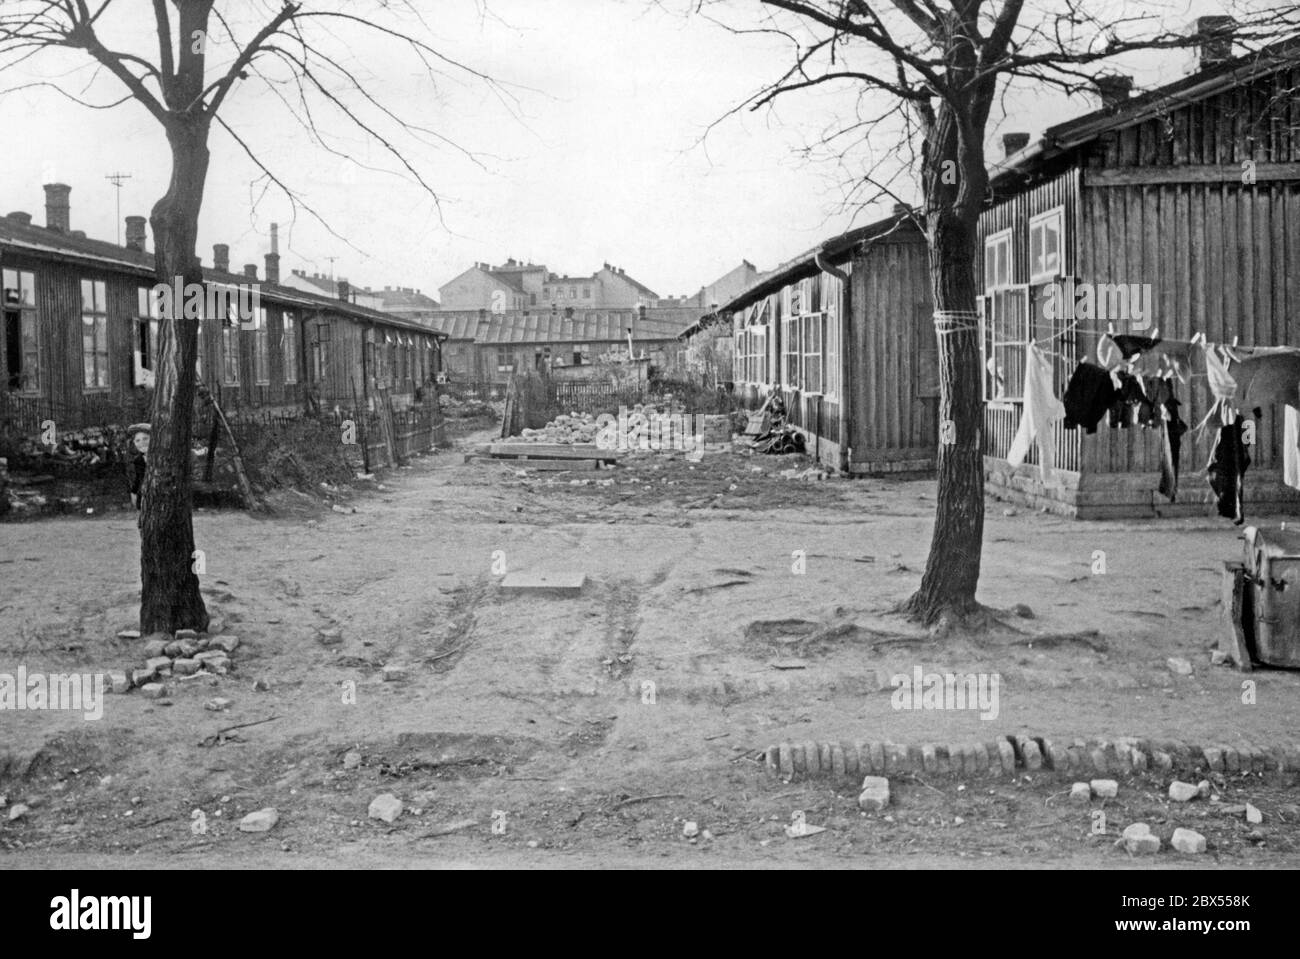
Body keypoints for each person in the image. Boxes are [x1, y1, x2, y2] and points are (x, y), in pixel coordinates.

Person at [126, 423, 150, 510]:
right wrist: (133, 492)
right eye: (137, 440)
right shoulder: (138, 460)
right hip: (144, 497)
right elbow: (139, 478)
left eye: (145, 438)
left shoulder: (161, 458)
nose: (142, 443)